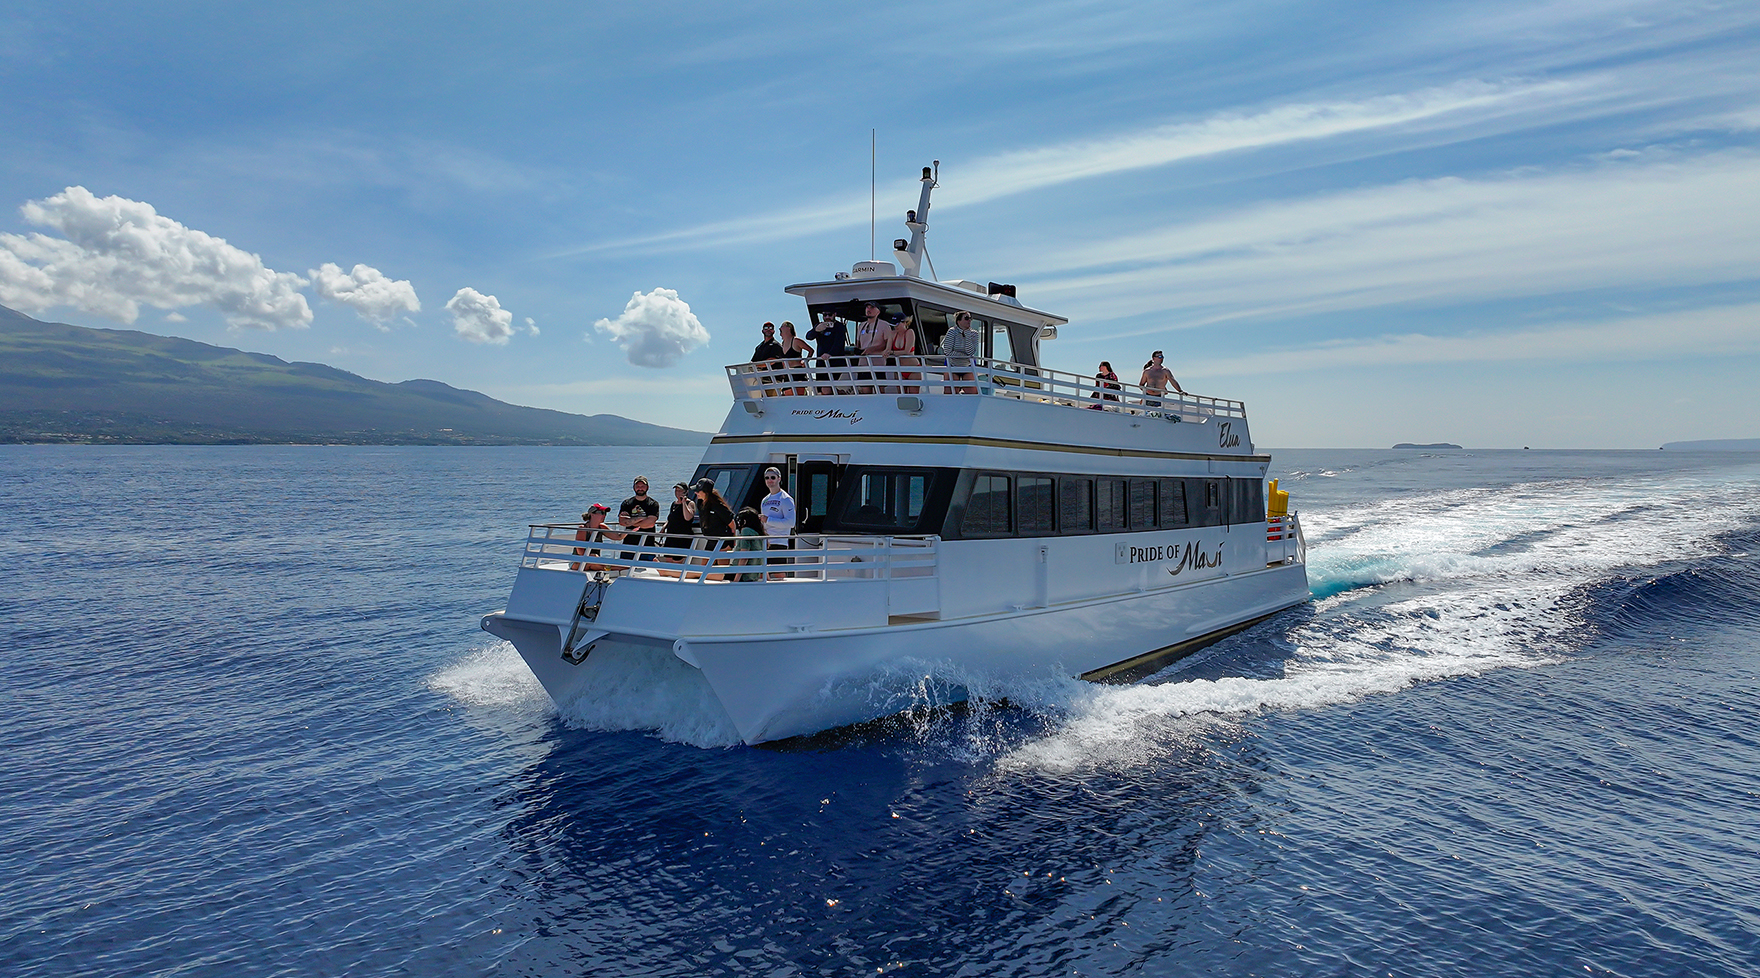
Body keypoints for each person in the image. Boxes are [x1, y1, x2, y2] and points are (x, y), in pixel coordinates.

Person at [692, 478, 737, 580]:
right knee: (703, 568)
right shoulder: (700, 504)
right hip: (711, 539)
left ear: (706, 492)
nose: (696, 493)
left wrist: (732, 539)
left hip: (723, 541)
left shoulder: (718, 506)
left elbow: (732, 524)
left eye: (699, 491)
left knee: (722, 571)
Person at [758, 466, 795, 579]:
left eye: (773, 477)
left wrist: (768, 520)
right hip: (766, 542)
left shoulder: (786, 499)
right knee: (761, 572)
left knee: (779, 573)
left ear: (779, 479)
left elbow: (790, 523)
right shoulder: (765, 500)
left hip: (779, 541)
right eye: (767, 478)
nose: (770, 480)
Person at [853, 302, 894, 394]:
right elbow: (858, 344)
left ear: (878, 311)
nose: (868, 310)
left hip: (878, 363)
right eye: (867, 307)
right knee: (865, 391)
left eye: (872, 307)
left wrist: (871, 349)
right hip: (863, 364)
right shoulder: (861, 325)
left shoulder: (884, 325)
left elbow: (887, 343)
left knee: (880, 390)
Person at [618, 475, 660, 559]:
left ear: (647, 487)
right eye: (638, 486)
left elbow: (650, 523)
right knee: (625, 570)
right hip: (629, 545)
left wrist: (631, 521)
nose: (640, 488)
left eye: (642, 486)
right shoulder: (627, 503)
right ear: (634, 487)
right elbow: (622, 521)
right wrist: (641, 519)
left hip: (647, 545)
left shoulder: (653, 504)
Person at [939, 310, 980, 394]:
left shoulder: (974, 334)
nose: (969, 320)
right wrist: (964, 355)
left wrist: (967, 335)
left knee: (973, 393)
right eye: (966, 318)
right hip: (952, 366)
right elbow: (947, 352)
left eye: (970, 318)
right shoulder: (952, 331)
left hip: (967, 367)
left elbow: (971, 352)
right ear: (959, 321)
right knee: (950, 393)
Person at [807, 313, 850, 394]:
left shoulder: (839, 327)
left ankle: (839, 398)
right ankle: (840, 394)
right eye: (824, 315)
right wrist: (816, 329)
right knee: (821, 389)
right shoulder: (820, 326)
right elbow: (808, 337)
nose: (827, 317)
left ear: (834, 315)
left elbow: (839, 343)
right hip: (821, 363)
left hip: (835, 362)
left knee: (826, 388)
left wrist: (830, 354)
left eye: (829, 315)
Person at [570, 503, 613, 571]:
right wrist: (593, 558)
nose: (604, 515)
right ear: (592, 514)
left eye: (605, 513)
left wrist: (632, 528)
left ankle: (611, 568)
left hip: (594, 561)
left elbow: (618, 537)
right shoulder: (583, 528)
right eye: (601, 512)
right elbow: (580, 551)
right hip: (578, 562)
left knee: (595, 562)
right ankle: (611, 568)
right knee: (595, 560)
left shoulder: (601, 527)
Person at [777, 321, 813, 396]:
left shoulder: (796, 341)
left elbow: (810, 350)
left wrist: (805, 361)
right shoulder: (782, 344)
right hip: (787, 373)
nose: (780, 330)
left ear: (788, 328)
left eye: (782, 327)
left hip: (797, 372)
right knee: (787, 396)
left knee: (798, 396)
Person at [732, 507, 767, 582]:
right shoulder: (759, 534)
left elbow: (744, 557)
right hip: (753, 575)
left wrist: (736, 579)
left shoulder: (746, 531)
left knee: (705, 574)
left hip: (742, 575)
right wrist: (767, 578)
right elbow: (762, 559)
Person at [751, 322, 786, 396]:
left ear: (774, 331)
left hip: (773, 381)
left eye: (771, 328)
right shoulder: (759, 347)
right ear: (762, 331)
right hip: (761, 380)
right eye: (766, 328)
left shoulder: (776, 345)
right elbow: (753, 361)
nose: (768, 330)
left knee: (772, 403)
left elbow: (772, 361)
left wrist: (757, 365)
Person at [887, 315, 919, 394]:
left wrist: (892, 352)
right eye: (893, 325)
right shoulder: (892, 334)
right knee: (901, 395)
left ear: (904, 322)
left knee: (913, 396)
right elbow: (887, 349)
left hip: (913, 369)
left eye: (897, 324)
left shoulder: (909, 332)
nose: (895, 327)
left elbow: (907, 351)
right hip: (899, 369)